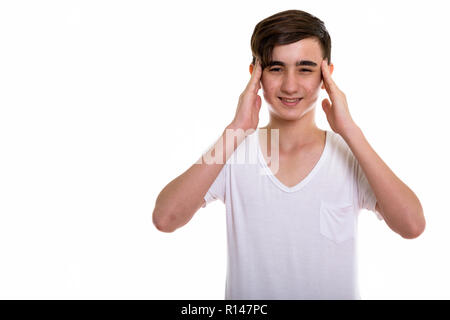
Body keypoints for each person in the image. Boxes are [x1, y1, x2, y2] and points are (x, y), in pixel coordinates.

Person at [152, 9, 425, 299]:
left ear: (326, 75)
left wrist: (351, 132)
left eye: (305, 69)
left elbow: (411, 225)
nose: (290, 85)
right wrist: (237, 128)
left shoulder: (350, 154)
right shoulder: (236, 150)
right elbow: (166, 218)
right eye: (276, 68)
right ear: (255, 74)